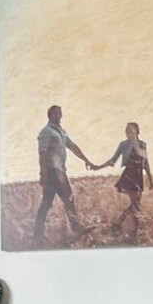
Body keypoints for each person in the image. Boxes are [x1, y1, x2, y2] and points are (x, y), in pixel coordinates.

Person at [33, 104, 97, 244]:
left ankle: (76, 228)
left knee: (69, 200)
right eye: (57, 113)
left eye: (60, 113)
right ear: (50, 115)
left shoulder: (62, 132)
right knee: (46, 204)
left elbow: (73, 147)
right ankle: (37, 236)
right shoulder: (46, 132)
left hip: (61, 172)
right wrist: (42, 174)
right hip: (51, 174)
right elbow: (42, 154)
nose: (60, 116)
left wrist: (86, 160)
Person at [99, 121, 151, 236]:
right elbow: (113, 160)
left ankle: (118, 223)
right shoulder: (123, 145)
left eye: (130, 130)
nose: (128, 132)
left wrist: (150, 180)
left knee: (135, 204)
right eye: (126, 130)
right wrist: (98, 167)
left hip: (138, 176)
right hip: (129, 175)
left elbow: (145, 162)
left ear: (137, 131)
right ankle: (134, 234)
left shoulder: (142, 145)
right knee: (136, 205)